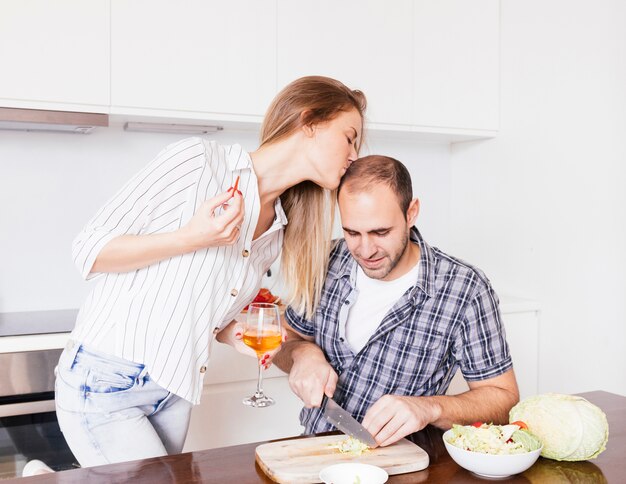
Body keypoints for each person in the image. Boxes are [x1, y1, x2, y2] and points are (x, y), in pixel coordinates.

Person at [54, 76, 366, 467]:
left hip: (175, 390)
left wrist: (234, 332)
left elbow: (203, 303)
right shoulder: (199, 163)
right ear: (309, 122)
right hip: (106, 382)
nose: (354, 153)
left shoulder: (276, 227)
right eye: (349, 137)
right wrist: (192, 236)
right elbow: (89, 250)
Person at [274, 155, 519, 447]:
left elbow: (503, 399)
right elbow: (285, 340)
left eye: (380, 232)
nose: (365, 250)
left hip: (406, 464)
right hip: (314, 451)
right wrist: (302, 354)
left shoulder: (465, 289)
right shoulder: (325, 260)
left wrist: (430, 407)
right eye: (352, 232)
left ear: (411, 212)